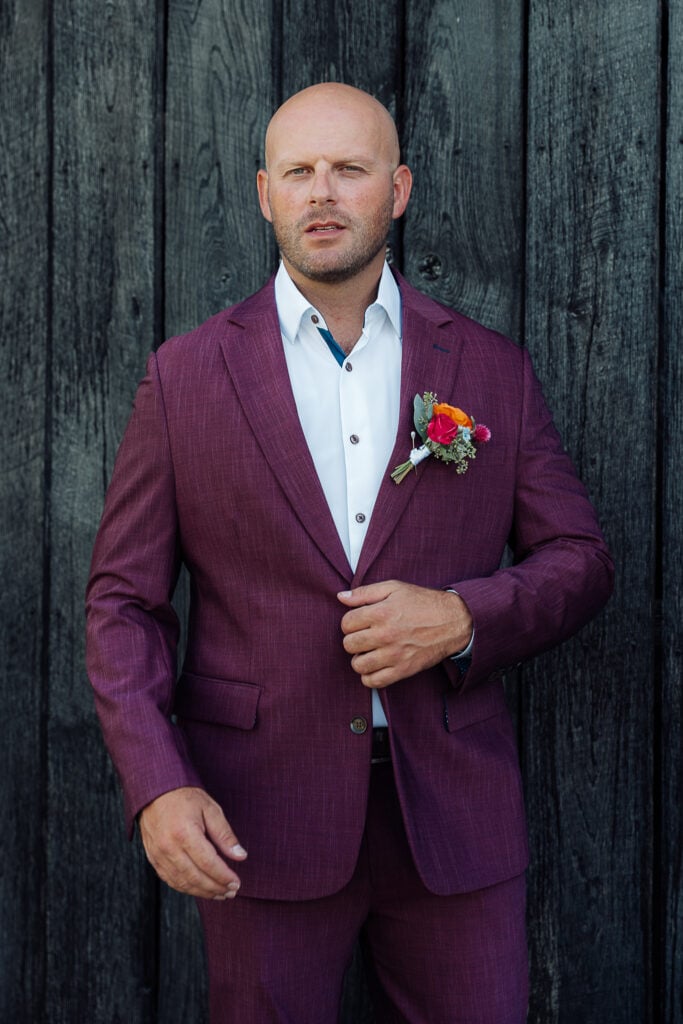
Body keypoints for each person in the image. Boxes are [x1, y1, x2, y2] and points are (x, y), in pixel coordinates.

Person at [86, 82, 613, 1023]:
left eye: (349, 169)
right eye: (298, 171)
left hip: (454, 821)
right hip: (255, 818)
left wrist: (462, 619)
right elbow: (123, 604)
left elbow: (578, 557)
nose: (321, 192)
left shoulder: (490, 369)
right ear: (263, 193)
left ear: (398, 188)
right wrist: (157, 785)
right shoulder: (183, 378)